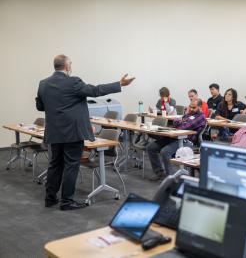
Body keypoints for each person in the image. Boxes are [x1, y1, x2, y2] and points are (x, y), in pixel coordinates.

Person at [35, 54, 134, 210]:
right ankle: (67, 201)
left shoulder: (43, 84)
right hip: (73, 133)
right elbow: (95, 91)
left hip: (54, 132)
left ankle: (50, 198)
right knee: (70, 166)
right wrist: (119, 84)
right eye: (71, 64)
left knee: (55, 165)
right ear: (67, 66)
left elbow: (40, 107)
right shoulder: (73, 81)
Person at [146, 99, 206, 181]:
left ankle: (170, 178)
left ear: (199, 107)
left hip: (186, 141)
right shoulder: (188, 114)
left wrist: (181, 122)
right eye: (190, 107)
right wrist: (181, 121)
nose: (191, 109)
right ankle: (159, 172)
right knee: (151, 147)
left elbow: (184, 127)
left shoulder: (201, 117)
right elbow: (175, 122)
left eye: (194, 107)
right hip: (175, 137)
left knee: (165, 151)